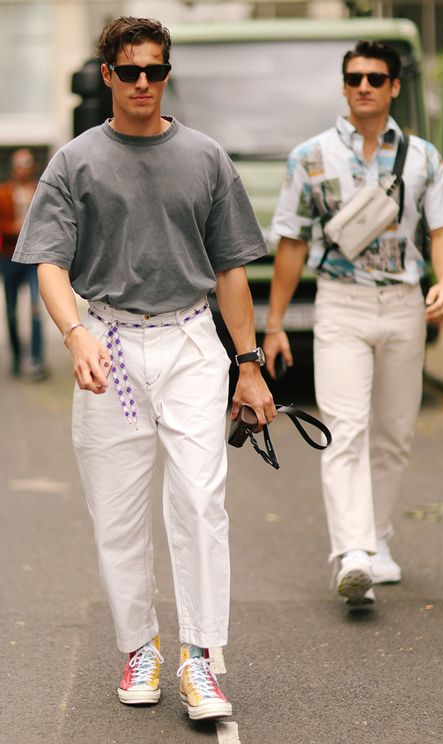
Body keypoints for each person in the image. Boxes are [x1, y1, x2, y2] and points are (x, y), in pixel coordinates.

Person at [13, 16, 275, 719]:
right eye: (127, 71)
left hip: (191, 343)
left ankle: (199, 658)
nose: (140, 84)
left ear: (166, 74)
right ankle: (140, 648)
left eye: (153, 71)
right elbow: (48, 264)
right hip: (113, 347)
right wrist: (75, 336)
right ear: (106, 76)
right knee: (119, 512)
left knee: (199, 500)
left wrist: (247, 366)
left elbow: (229, 272)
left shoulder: (205, 158)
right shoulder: (74, 161)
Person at [263, 40, 443, 608]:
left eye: (376, 77)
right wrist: (274, 324)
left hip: (404, 305)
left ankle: (377, 537)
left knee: (395, 434)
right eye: (355, 77)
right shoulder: (310, 156)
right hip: (340, 305)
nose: (365, 86)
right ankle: (351, 553)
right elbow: (292, 240)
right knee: (345, 428)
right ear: (344, 85)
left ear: (395, 87)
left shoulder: (423, 157)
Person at [0, 148, 48, 379]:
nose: (22, 168)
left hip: (34, 258)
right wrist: (16, 230)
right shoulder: (3, 192)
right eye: (18, 164)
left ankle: (37, 360)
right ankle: (17, 358)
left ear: (32, 167)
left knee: (36, 309)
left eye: (26, 163)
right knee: (10, 311)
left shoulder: (41, 191)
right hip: (9, 257)